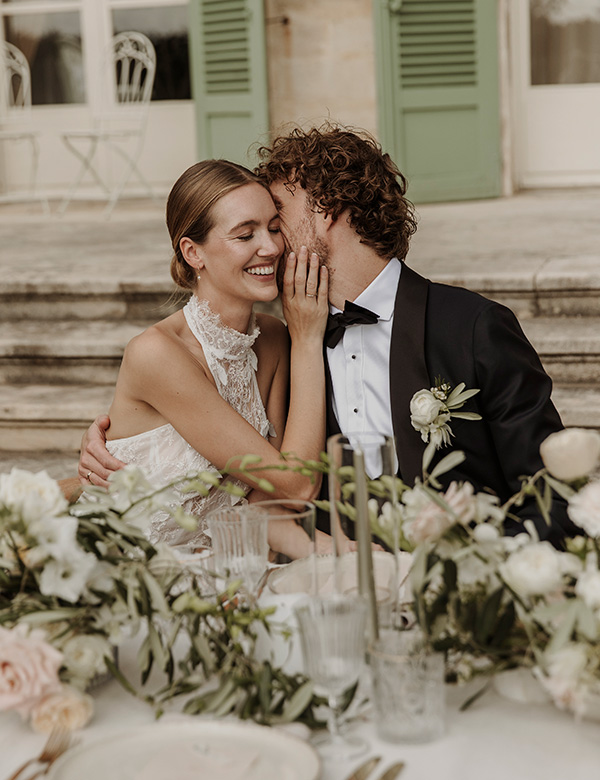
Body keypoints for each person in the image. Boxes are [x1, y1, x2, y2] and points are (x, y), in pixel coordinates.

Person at [81, 124, 577, 546]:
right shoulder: (287, 341)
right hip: (322, 572)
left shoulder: (471, 327)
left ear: (327, 209)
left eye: (278, 216)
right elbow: (246, 473)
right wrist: (86, 470)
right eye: (253, 229)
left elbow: (551, 489)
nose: (272, 242)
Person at [77, 159, 331, 557]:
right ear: (193, 252)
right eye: (245, 234)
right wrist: (310, 338)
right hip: (130, 576)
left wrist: (348, 553)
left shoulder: (274, 338)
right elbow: (297, 483)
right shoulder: (156, 353)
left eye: (275, 228)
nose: (272, 246)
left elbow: (269, 500)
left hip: (222, 578)